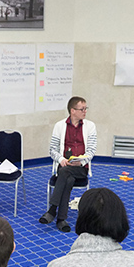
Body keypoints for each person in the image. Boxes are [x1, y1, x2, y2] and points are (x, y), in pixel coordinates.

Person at [39, 96, 97, 232]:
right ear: (72, 111)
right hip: (64, 166)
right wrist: (61, 159)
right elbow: (52, 149)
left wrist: (81, 161)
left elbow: (91, 150)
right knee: (68, 179)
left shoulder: (90, 126)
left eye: (85, 109)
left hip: (80, 168)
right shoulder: (59, 126)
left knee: (64, 174)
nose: (85, 111)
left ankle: (52, 210)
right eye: (82, 109)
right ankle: (61, 219)